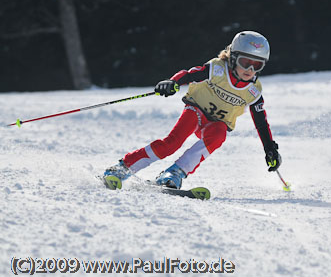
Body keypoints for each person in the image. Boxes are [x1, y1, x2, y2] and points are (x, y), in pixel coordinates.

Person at [102, 31, 282, 190]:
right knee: (172, 143)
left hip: (215, 124)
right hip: (195, 112)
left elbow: (261, 122)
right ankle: (123, 168)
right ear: (233, 57)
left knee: (220, 134)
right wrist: (173, 82)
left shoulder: (254, 91)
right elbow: (190, 74)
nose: (250, 70)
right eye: (245, 62)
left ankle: (174, 173)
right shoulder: (217, 69)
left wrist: (269, 148)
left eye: (257, 65)